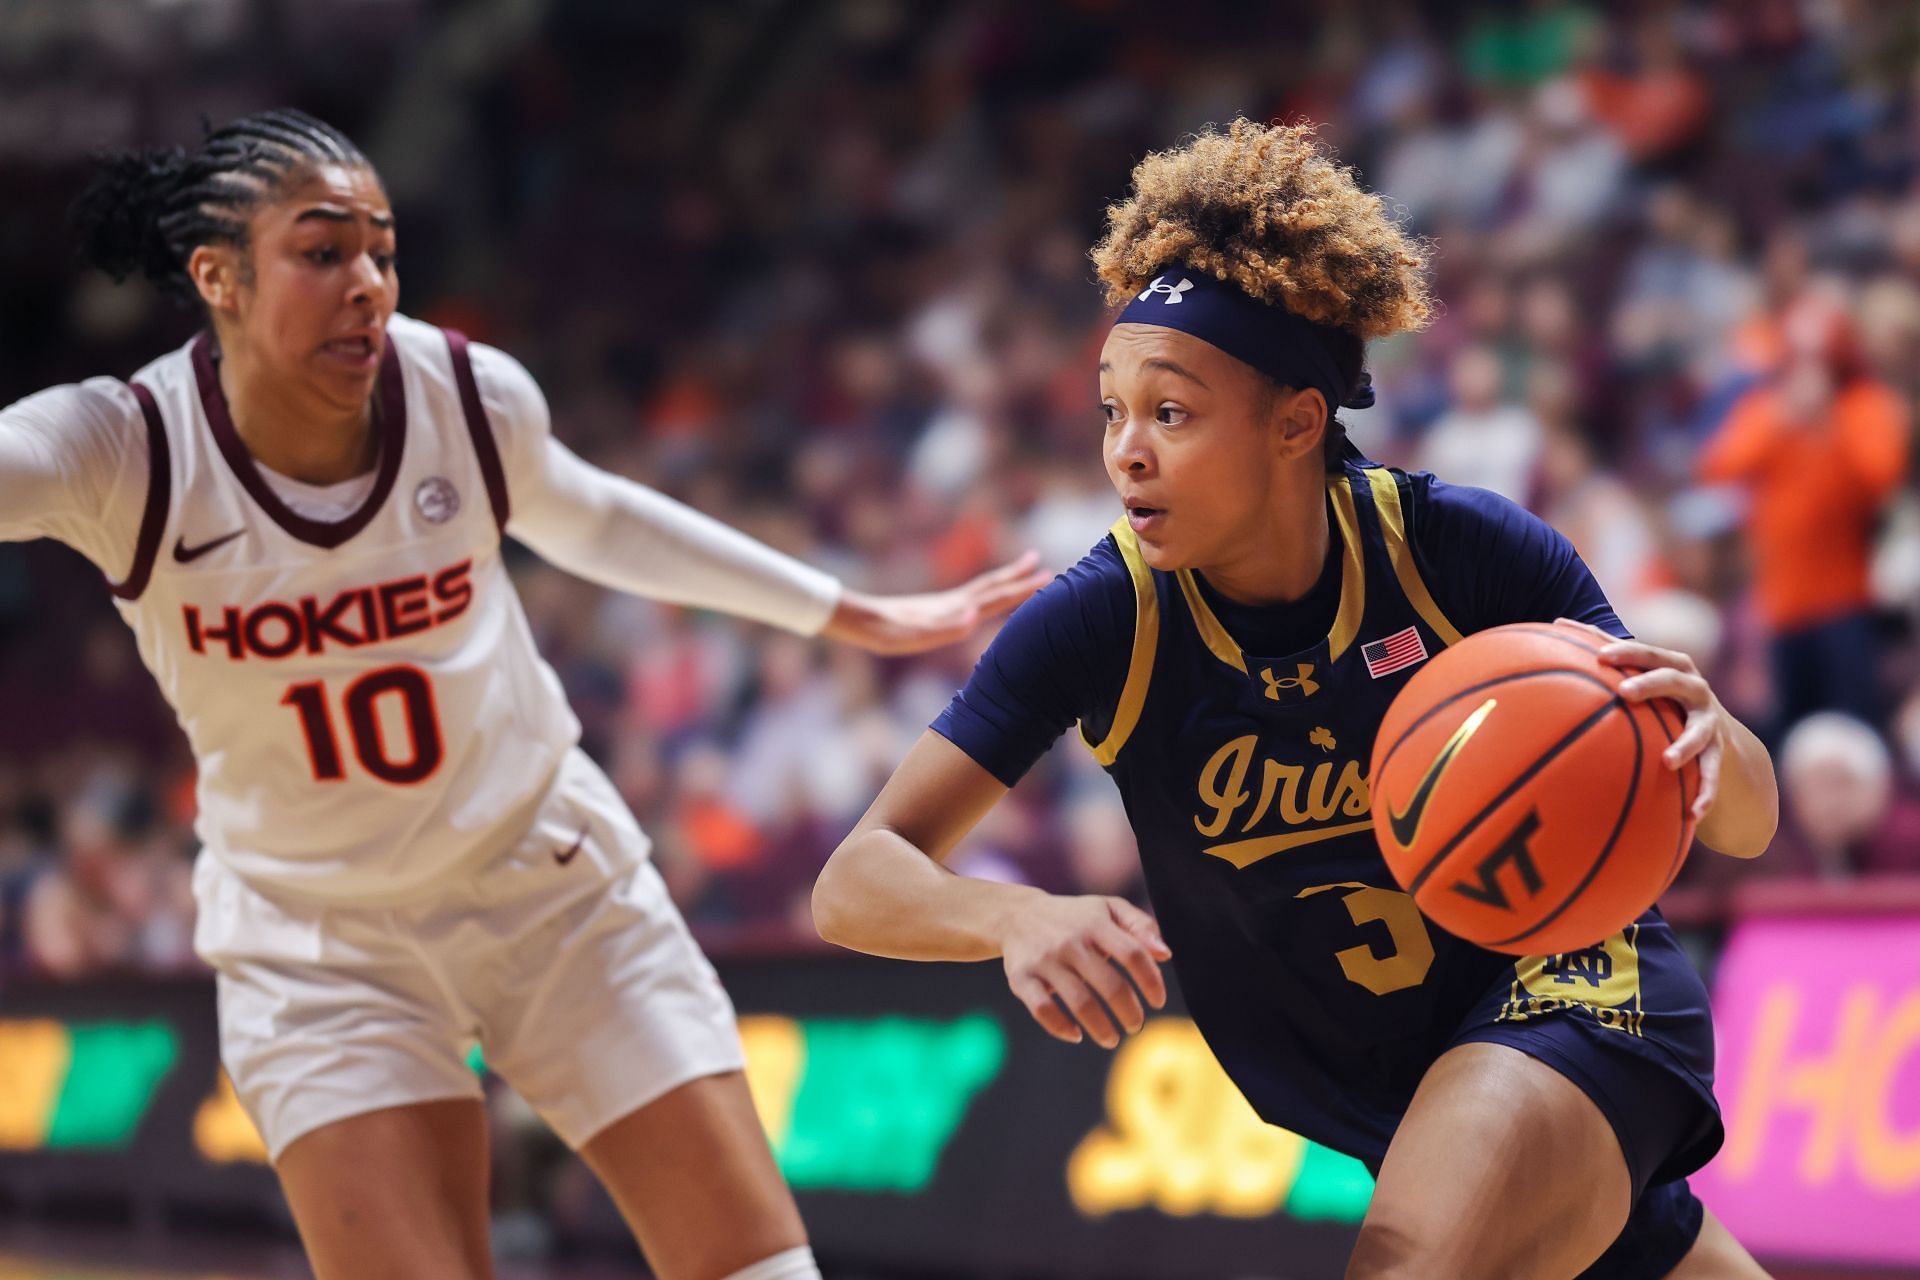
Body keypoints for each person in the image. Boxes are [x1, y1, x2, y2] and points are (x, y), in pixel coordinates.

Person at [0, 109, 1047, 1280]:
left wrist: (840, 607)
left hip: (547, 882)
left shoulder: (462, 393)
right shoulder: (121, 449)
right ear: (219, 276)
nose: (368, 283)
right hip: (320, 940)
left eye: (383, 251)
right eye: (323, 250)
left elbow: (589, 511)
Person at [813, 120, 1779, 1280]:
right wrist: (1012, 916)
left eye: (1170, 413)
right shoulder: (1102, 616)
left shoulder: (1460, 554)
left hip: (1572, 991)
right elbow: (853, 881)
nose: (1127, 453)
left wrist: (1706, 727)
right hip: (1391, 1086)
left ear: (1296, 422)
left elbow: (1747, 820)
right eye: (1112, 411)